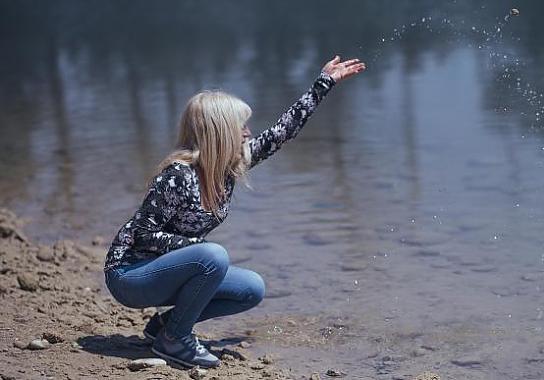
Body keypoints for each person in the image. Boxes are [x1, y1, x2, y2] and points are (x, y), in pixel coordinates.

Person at [103, 56, 365, 368]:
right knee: (213, 256)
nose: (248, 132)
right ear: (219, 133)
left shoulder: (228, 167)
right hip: (130, 274)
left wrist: (323, 84)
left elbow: (282, 132)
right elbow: (144, 235)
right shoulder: (178, 175)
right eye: (240, 127)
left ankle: (166, 328)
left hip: (167, 269)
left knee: (250, 288)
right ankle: (176, 341)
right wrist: (197, 250)